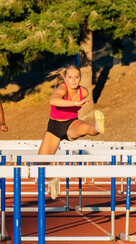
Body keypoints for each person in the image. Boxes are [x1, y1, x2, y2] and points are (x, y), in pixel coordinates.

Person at [38, 65, 105, 199]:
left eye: (76, 77)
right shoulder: (62, 88)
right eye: (70, 78)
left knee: (84, 128)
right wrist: (75, 104)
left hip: (71, 124)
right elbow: (53, 100)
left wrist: (78, 103)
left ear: (80, 78)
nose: (73, 81)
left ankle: (97, 127)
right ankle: (52, 180)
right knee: (40, 165)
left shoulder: (84, 91)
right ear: (65, 78)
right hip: (54, 128)